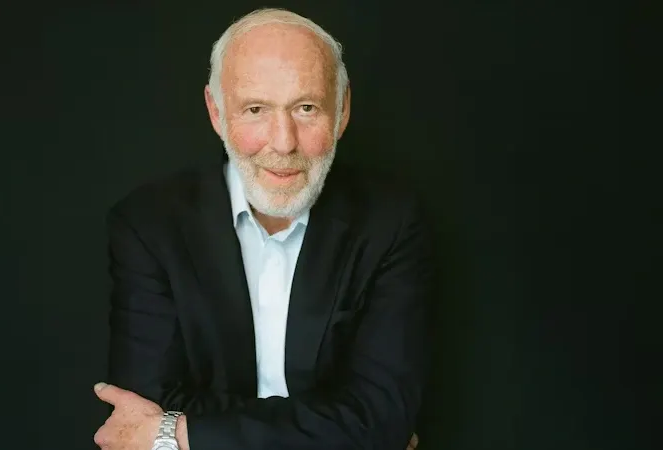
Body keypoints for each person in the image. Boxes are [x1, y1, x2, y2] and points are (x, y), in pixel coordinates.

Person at [92, 7, 432, 450]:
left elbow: (381, 417)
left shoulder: (390, 222)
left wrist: (179, 433)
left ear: (343, 109)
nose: (284, 142)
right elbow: (142, 410)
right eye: (255, 109)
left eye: (306, 108)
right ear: (216, 113)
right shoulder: (148, 225)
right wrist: (341, 430)